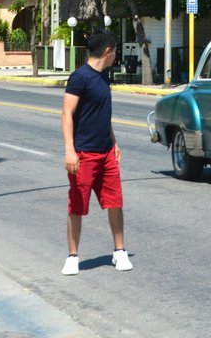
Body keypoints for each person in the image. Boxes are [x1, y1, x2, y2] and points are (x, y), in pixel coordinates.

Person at [61, 30, 132, 275]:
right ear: (108, 51)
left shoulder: (103, 78)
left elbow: (102, 115)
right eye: (115, 52)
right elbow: (67, 114)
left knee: (115, 203)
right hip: (83, 154)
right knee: (77, 205)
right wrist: (70, 151)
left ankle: (120, 251)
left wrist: (114, 142)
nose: (116, 57)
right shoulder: (79, 78)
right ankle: (72, 256)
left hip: (106, 153)